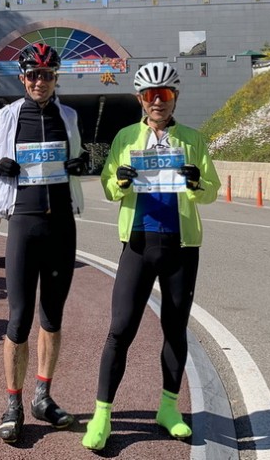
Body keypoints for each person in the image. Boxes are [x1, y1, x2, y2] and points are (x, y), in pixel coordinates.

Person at [82, 61, 220, 451]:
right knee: (120, 329)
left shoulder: (192, 139)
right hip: (138, 244)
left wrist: (196, 183)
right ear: (140, 99)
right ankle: (102, 416)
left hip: (181, 247)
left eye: (165, 94)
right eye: (150, 95)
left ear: (175, 97)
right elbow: (108, 186)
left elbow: (212, 190)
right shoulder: (126, 137)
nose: (158, 102)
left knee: (175, 329)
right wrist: (120, 180)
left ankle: (169, 409)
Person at [0, 42, 89, 444]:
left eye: (47, 75)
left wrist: (81, 163)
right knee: (19, 319)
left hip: (61, 227)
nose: (40, 81)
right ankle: (13, 404)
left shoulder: (68, 116)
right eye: (33, 75)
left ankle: (42, 398)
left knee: (52, 317)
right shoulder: (7, 115)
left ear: (55, 78)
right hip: (23, 223)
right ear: (23, 78)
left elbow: (78, 156)